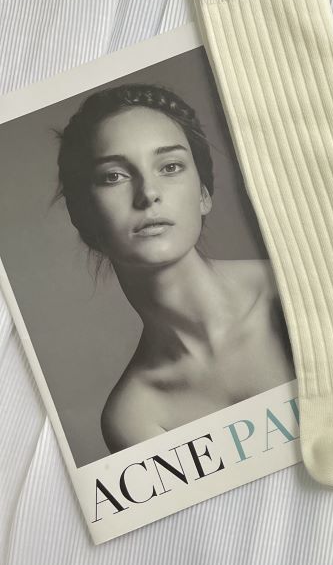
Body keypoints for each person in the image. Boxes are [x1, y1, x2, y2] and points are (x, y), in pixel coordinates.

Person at [53, 83, 295, 453]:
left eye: (170, 167)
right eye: (113, 176)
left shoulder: (292, 288)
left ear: (203, 195)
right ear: (83, 217)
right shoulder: (134, 416)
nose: (148, 193)